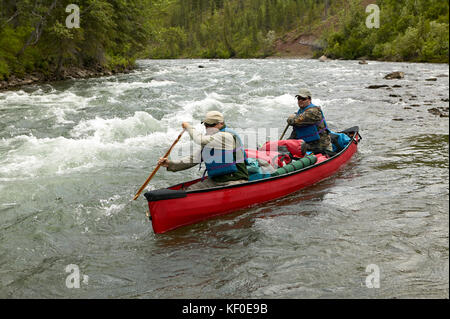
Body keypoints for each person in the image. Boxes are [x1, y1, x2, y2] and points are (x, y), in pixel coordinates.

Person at [158, 111, 249, 190]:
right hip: (216, 180)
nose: (208, 127)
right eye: (206, 125)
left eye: (211, 125)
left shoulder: (225, 136)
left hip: (236, 180)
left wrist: (188, 127)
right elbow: (194, 159)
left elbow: (200, 139)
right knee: (188, 190)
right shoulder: (211, 138)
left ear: (221, 124)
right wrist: (170, 164)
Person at [286, 88, 334, 156]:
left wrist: (291, 118)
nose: (300, 101)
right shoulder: (301, 111)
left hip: (321, 146)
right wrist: (286, 143)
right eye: (299, 98)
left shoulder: (313, 111)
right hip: (308, 145)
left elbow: (293, 121)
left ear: (309, 99)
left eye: (303, 99)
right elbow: (296, 132)